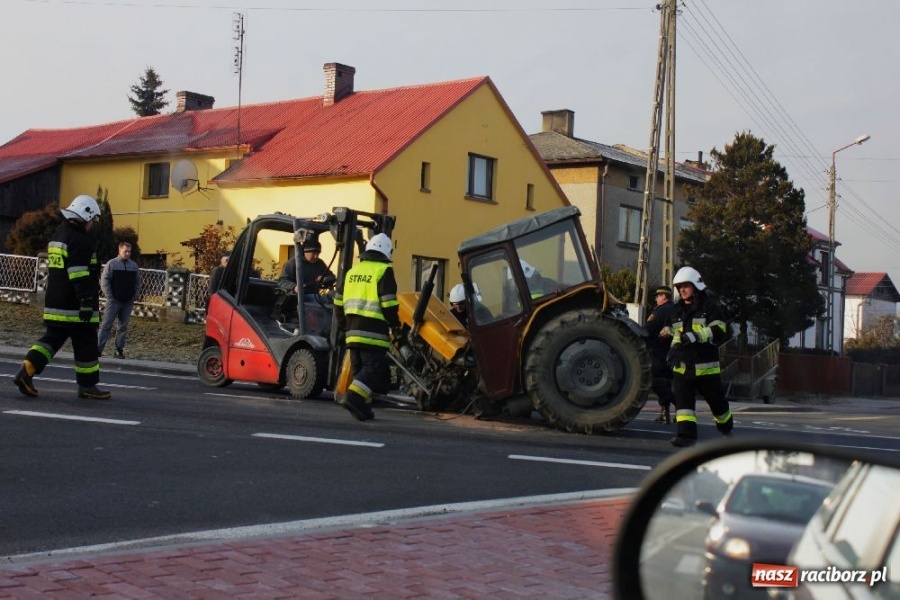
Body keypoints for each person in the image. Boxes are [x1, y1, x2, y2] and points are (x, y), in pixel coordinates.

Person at [13, 195, 111, 400]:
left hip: (56, 302)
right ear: (85, 217)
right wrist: (86, 302)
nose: (93, 225)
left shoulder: (59, 235)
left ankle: (26, 370)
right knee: (86, 344)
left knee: (51, 340)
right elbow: (79, 274)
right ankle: (87, 386)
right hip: (75, 305)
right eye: (93, 220)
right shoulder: (80, 240)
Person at [333, 233, 401, 421]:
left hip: (352, 332)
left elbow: (338, 302)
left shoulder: (352, 272)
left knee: (360, 372)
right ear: (388, 252)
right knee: (374, 369)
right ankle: (353, 398)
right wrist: (395, 326)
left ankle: (363, 409)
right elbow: (388, 304)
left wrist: (344, 326)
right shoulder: (384, 270)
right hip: (374, 333)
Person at [665, 266, 732, 447]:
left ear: (696, 286)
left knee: (718, 405)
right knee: (683, 405)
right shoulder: (676, 310)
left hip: (705, 367)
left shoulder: (709, 307)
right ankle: (685, 436)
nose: (682, 290)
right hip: (682, 367)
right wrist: (672, 351)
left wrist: (695, 336)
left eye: (686, 286)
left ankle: (726, 429)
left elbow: (720, 328)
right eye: (679, 287)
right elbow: (677, 335)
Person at [98, 241, 141, 358]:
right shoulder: (112, 264)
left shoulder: (133, 266)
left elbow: (138, 282)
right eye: (125, 251)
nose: (127, 254)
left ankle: (118, 350)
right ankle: (97, 349)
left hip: (128, 301)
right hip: (114, 301)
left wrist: (135, 295)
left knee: (122, 327)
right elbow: (104, 280)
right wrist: (109, 295)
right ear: (119, 251)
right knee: (106, 325)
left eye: (129, 252)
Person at [645, 286, 676, 423]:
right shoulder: (675, 309)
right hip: (671, 352)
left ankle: (679, 404)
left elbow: (649, 329)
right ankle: (665, 414)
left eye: (658, 296)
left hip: (659, 352)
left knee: (655, 381)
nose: (656, 299)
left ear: (664, 296)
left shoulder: (661, 310)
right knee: (665, 383)